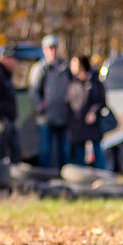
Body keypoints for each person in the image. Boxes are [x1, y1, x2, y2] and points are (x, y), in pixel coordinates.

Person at [29, 35, 70, 169]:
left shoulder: (64, 67)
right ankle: (45, 177)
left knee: (64, 151)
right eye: (49, 48)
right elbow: (34, 91)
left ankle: (64, 176)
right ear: (44, 50)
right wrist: (40, 106)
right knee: (46, 150)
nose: (52, 51)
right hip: (46, 118)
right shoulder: (40, 69)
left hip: (63, 116)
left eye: (54, 48)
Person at [66, 54, 107, 169]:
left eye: (74, 63)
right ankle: (82, 180)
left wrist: (94, 111)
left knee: (97, 152)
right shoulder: (72, 81)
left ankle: (102, 176)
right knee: (79, 156)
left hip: (93, 125)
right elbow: (69, 102)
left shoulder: (94, 80)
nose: (71, 66)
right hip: (77, 125)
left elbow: (102, 101)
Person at [0, 55, 21, 164]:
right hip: (1, 122)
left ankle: (12, 176)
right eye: (12, 59)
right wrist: (2, 118)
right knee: (0, 153)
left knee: (15, 151)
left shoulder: (6, 76)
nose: (15, 63)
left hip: (9, 121)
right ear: (5, 59)